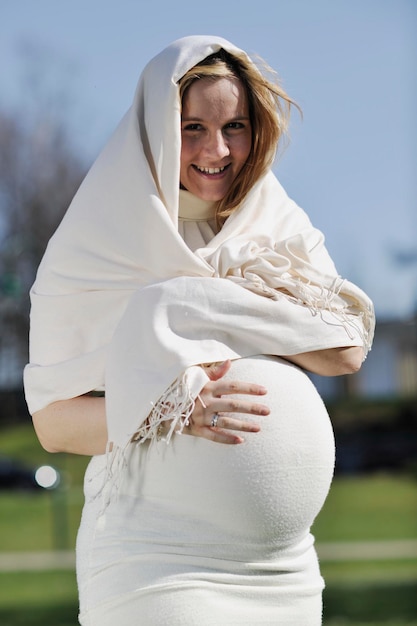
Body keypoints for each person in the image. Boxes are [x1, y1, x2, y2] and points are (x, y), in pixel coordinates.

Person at [24, 35, 375, 625]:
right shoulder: (96, 242)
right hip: (159, 557)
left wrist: (198, 301)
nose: (218, 149)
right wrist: (171, 411)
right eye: (192, 128)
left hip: (283, 568)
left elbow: (344, 349)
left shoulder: (273, 220)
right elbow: (53, 424)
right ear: (158, 130)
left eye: (236, 126)